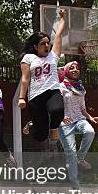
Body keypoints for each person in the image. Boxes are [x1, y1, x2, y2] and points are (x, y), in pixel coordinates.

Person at [18, 9, 67, 143]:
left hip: (52, 91)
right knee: (40, 136)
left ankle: (55, 128)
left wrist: (62, 18)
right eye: (42, 44)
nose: (47, 45)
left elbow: (58, 35)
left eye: (47, 43)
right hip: (35, 96)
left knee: (57, 110)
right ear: (35, 47)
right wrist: (22, 98)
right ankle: (32, 124)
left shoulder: (53, 55)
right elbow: (25, 78)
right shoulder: (28, 58)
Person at [58, 61, 98, 190]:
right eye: (72, 68)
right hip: (64, 123)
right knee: (70, 153)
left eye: (77, 68)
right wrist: (61, 116)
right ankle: (75, 186)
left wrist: (91, 117)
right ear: (66, 71)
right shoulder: (60, 87)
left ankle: (80, 158)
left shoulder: (81, 89)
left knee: (90, 132)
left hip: (79, 119)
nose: (75, 70)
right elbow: (55, 106)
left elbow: (82, 108)